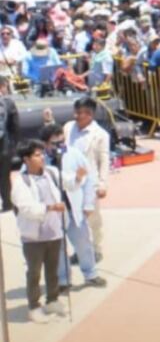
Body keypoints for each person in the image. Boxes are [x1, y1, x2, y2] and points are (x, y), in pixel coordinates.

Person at [42, 122, 105, 290]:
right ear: (46, 144)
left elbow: (89, 179)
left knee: (83, 243)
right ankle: (63, 280)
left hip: (74, 207)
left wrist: (88, 204)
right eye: (56, 144)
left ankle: (91, 274)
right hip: (53, 212)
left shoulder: (74, 154)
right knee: (58, 247)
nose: (60, 146)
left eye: (62, 142)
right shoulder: (39, 160)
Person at [13, 138, 67, 323]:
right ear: (26, 159)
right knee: (34, 272)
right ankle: (34, 306)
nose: (42, 157)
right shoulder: (21, 182)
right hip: (33, 237)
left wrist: (78, 177)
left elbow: (68, 182)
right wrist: (51, 207)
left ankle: (52, 300)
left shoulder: (51, 174)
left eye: (42, 153)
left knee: (53, 271)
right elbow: (27, 208)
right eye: (37, 155)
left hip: (54, 233)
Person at [63, 96, 110, 259]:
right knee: (75, 219)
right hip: (71, 180)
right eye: (77, 112)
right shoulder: (69, 128)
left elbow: (104, 160)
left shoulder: (100, 134)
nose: (79, 116)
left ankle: (96, 249)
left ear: (90, 114)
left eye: (83, 113)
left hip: (90, 182)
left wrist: (103, 184)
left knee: (93, 218)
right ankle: (80, 250)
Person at [0, 76, 18, 211]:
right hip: (4, 146)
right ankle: (7, 203)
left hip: (4, 146)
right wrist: (14, 146)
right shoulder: (8, 103)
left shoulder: (7, 103)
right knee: (4, 176)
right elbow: (15, 127)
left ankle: (7, 202)